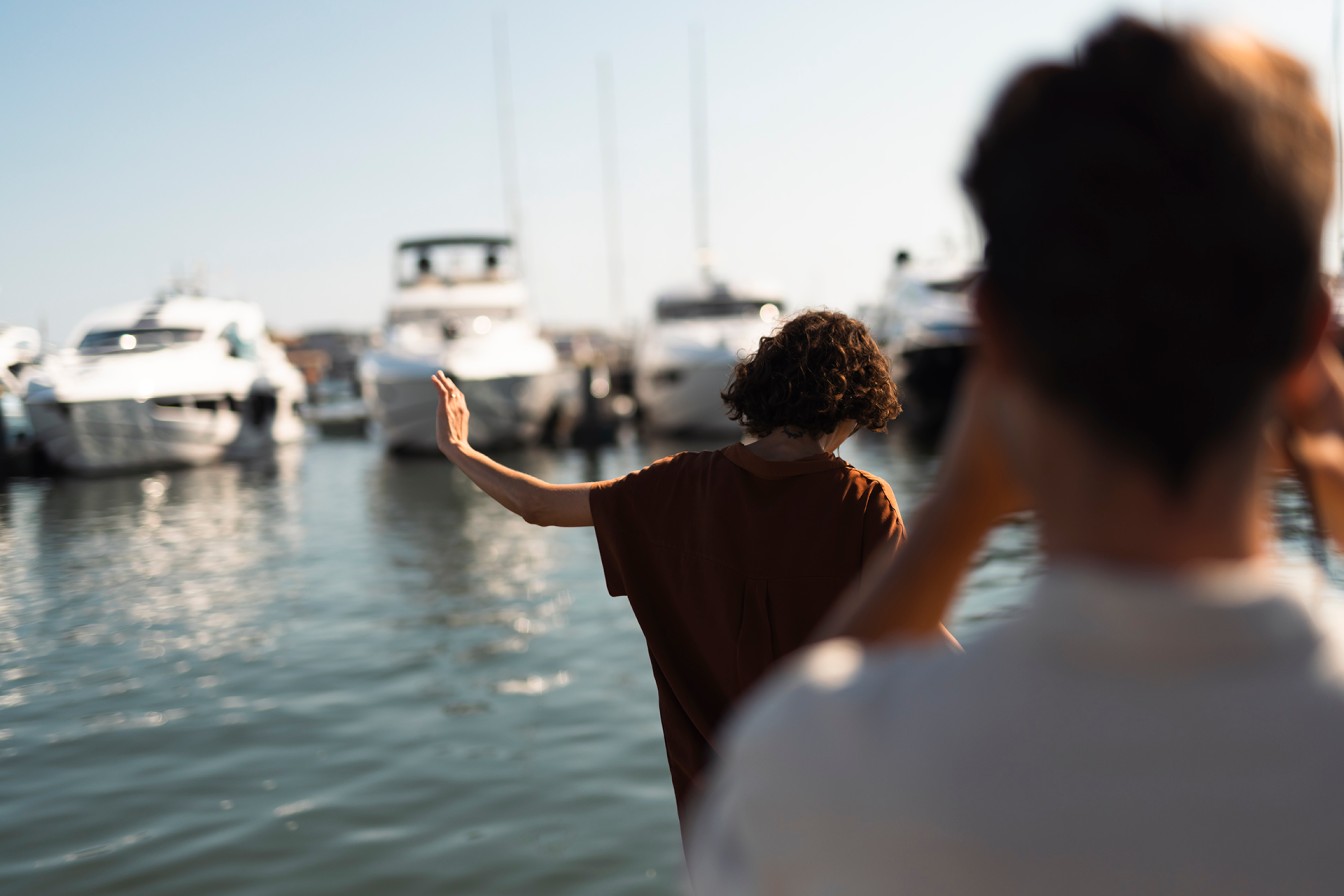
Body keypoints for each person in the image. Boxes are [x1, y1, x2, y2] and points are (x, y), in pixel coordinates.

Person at [690, 17, 1344, 894]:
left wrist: (957, 511)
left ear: (995, 336)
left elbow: (777, 754)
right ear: (1311, 345)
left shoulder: (825, 772)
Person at [429, 309, 913, 839]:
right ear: (851, 403)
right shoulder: (863, 503)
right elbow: (919, 634)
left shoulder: (678, 487)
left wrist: (460, 449)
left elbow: (537, 505)